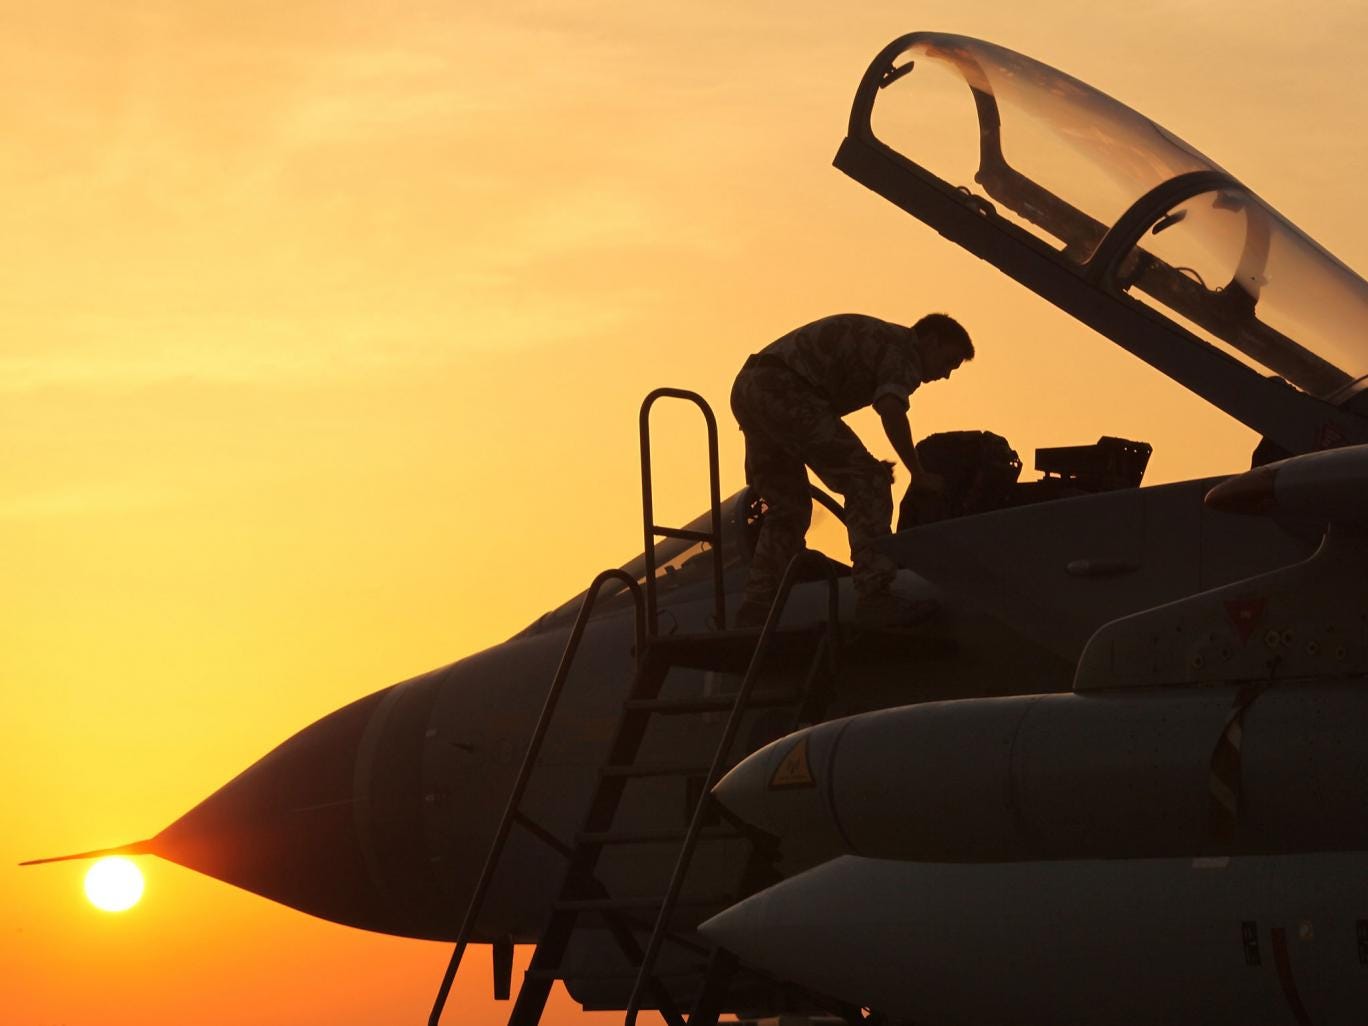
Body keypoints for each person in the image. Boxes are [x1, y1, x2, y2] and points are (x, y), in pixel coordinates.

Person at [730, 312, 974, 628]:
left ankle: (755, 609)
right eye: (948, 361)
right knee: (869, 481)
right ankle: (875, 595)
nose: (945, 374)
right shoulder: (904, 349)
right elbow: (890, 407)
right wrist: (918, 472)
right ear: (931, 341)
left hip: (752, 388)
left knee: (788, 508)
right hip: (784, 389)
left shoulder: (883, 340)